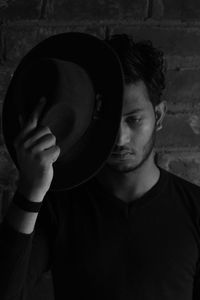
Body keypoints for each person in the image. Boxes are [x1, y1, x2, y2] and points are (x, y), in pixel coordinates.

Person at [0, 33, 200, 300]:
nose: (120, 138)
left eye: (134, 119)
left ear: (159, 116)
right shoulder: (57, 207)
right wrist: (29, 191)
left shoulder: (195, 208)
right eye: (110, 120)